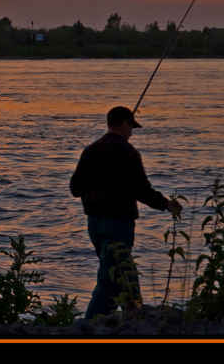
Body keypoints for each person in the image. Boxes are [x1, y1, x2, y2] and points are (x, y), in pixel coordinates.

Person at [69, 106, 182, 319]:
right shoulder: (128, 152)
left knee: (122, 270)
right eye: (131, 128)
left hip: (93, 223)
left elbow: (75, 189)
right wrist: (167, 205)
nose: (131, 134)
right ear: (124, 125)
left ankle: (135, 314)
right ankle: (90, 326)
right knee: (110, 280)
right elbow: (141, 190)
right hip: (118, 223)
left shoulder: (90, 151)